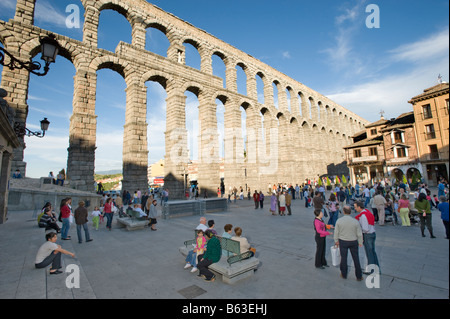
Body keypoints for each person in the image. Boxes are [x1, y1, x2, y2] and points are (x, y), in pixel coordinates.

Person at [334, 205, 363, 281]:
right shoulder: (355, 221)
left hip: (343, 241)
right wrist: (360, 242)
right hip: (353, 241)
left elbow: (336, 232)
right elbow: (359, 233)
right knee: (356, 258)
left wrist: (336, 240)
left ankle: (344, 274)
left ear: (343, 212)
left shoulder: (339, 220)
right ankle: (359, 275)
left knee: (343, 258)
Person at [354, 201, 379, 274]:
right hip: (372, 233)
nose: (355, 208)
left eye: (355, 207)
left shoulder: (363, 216)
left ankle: (371, 270)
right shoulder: (367, 212)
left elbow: (365, 228)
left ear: (359, 207)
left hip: (367, 235)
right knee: (373, 252)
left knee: (369, 253)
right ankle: (376, 268)